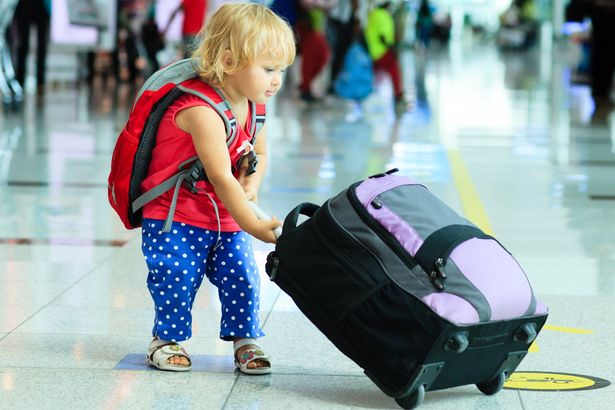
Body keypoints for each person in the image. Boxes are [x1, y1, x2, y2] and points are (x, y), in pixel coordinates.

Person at [142, 3, 295, 373]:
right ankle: (165, 338)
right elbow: (220, 174)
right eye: (268, 69)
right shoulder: (200, 110)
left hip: (223, 212)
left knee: (242, 274)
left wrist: (252, 185)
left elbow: (259, 151)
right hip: (174, 215)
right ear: (228, 61)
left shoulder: (256, 107)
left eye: (281, 71)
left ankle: (246, 340)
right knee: (175, 275)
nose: (276, 81)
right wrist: (252, 223)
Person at [566, 0, 615, 113]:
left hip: (602, 18)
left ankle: (600, 96)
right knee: (603, 56)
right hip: (602, 19)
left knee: (603, 55)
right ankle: (600, 96)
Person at [364, 0, 405, 105]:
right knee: (394, 69)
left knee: (374, 73)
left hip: (372, 50)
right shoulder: (383, 15)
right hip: (380, 51)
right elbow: (383, 37)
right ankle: (398, 94)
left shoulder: (374, 14)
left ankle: (368, 93)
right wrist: (392, 50)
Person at [11, 0, 51, 95]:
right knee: (23, 44)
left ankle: (40, 83)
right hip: (24, 4)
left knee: (42, 44)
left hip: (42, 4)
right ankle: (20, 81)